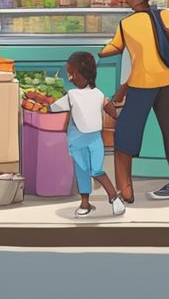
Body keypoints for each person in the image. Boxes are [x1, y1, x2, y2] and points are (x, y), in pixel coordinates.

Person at [100, 0, 169, 202]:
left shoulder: (127, 23)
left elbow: (112, 48)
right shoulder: (164, 15)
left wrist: (97, 51)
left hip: (141, 85)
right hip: (167, 82)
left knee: (125, 136)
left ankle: (126, 192)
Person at [51, 51, 125, 218]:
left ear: (82, 74)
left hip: (87, 139)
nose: (70, 79)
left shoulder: (76, 95)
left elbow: (53, 107)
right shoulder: (92, 94)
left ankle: (114, 197)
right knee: (86, 170)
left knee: (93, 170)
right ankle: (85, 203)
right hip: (84, 141)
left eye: (72, 75)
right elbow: (112, 111)